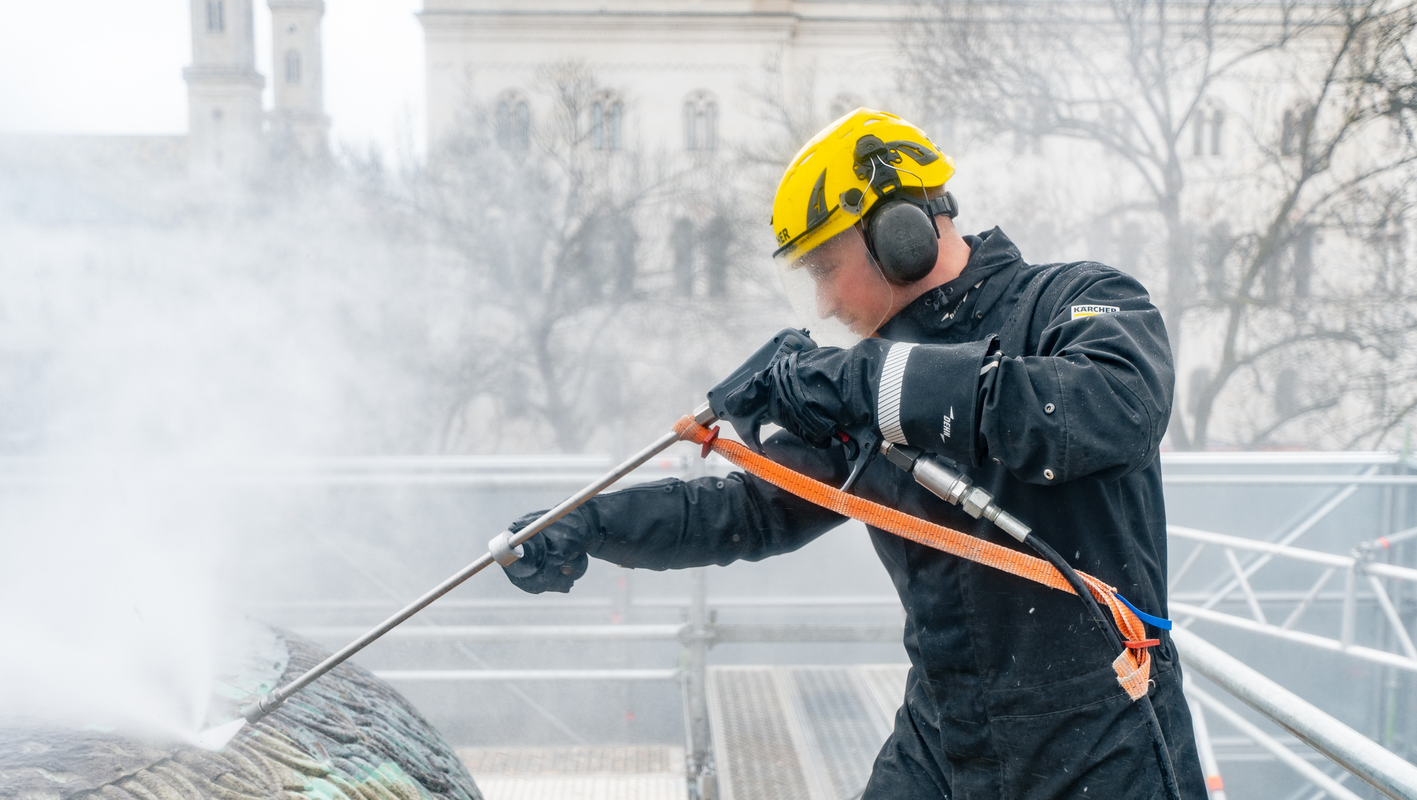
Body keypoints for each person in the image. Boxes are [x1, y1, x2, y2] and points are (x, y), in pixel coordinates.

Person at [499, 109, 1207, 800]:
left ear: (900, 234)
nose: (825, 303)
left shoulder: (1075, 299)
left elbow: (1113, 410)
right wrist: (589, 522)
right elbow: (748, 510)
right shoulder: (873, 392)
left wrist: (854, 377)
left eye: (827, 268)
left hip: (1101, 745)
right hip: (944, 739)